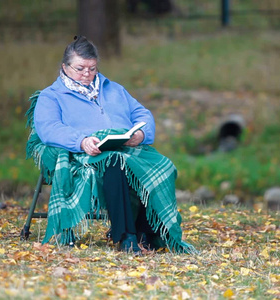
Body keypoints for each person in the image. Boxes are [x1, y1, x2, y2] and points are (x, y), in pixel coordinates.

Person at [30, 36, 195, 254]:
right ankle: (126, 237)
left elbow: (142, 114)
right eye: (80, 68)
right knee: (115, 162)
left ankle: (147, 232)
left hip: (124, 147)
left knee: (161, 165)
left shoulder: (114, 89)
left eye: (92, 68)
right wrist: (81, 141)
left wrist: (140, 133)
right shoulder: (51, 96)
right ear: (65, 67)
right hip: (83, 153)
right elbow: (49, 128)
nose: (87, 74)